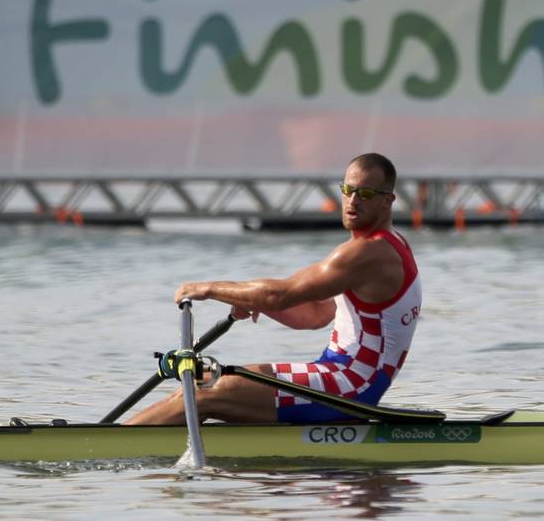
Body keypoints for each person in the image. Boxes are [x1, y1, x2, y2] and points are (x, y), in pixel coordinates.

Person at [125, 153, 421, 425]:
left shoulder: (368, 253)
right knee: (202, 383)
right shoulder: (390, 246)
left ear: (388, 201)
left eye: (366, 193)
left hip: (349, 386)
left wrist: (207, 288)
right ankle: (125, 436)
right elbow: (315, 315)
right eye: (347, 190)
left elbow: (279, 295)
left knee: (208, 389)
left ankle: (110, 449)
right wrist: (260, 304)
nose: (353, 200)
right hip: (343, 380)